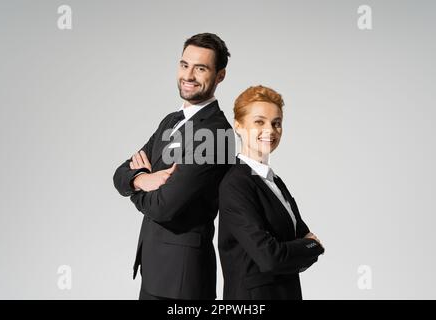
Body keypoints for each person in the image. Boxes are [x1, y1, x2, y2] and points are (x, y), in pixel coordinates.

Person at [113, 33, 234, 300]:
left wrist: (136, 186)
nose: (188, 75)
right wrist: (141, 180)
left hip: (182, 281)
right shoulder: (171, 120)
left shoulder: (215, 134)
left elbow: (164, 207)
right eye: (184, 65)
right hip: (155, 271)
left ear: (220, 75)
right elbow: (120, 173)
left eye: (200, 68)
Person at [218, 85, 325, 300]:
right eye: (259, 122)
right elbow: (270, 257)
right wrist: (311, 246)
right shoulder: (236, 184)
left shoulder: (275, 182)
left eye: (276, 123)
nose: (271, 130)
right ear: (238, 126)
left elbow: (300, 236)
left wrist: (302, 246)